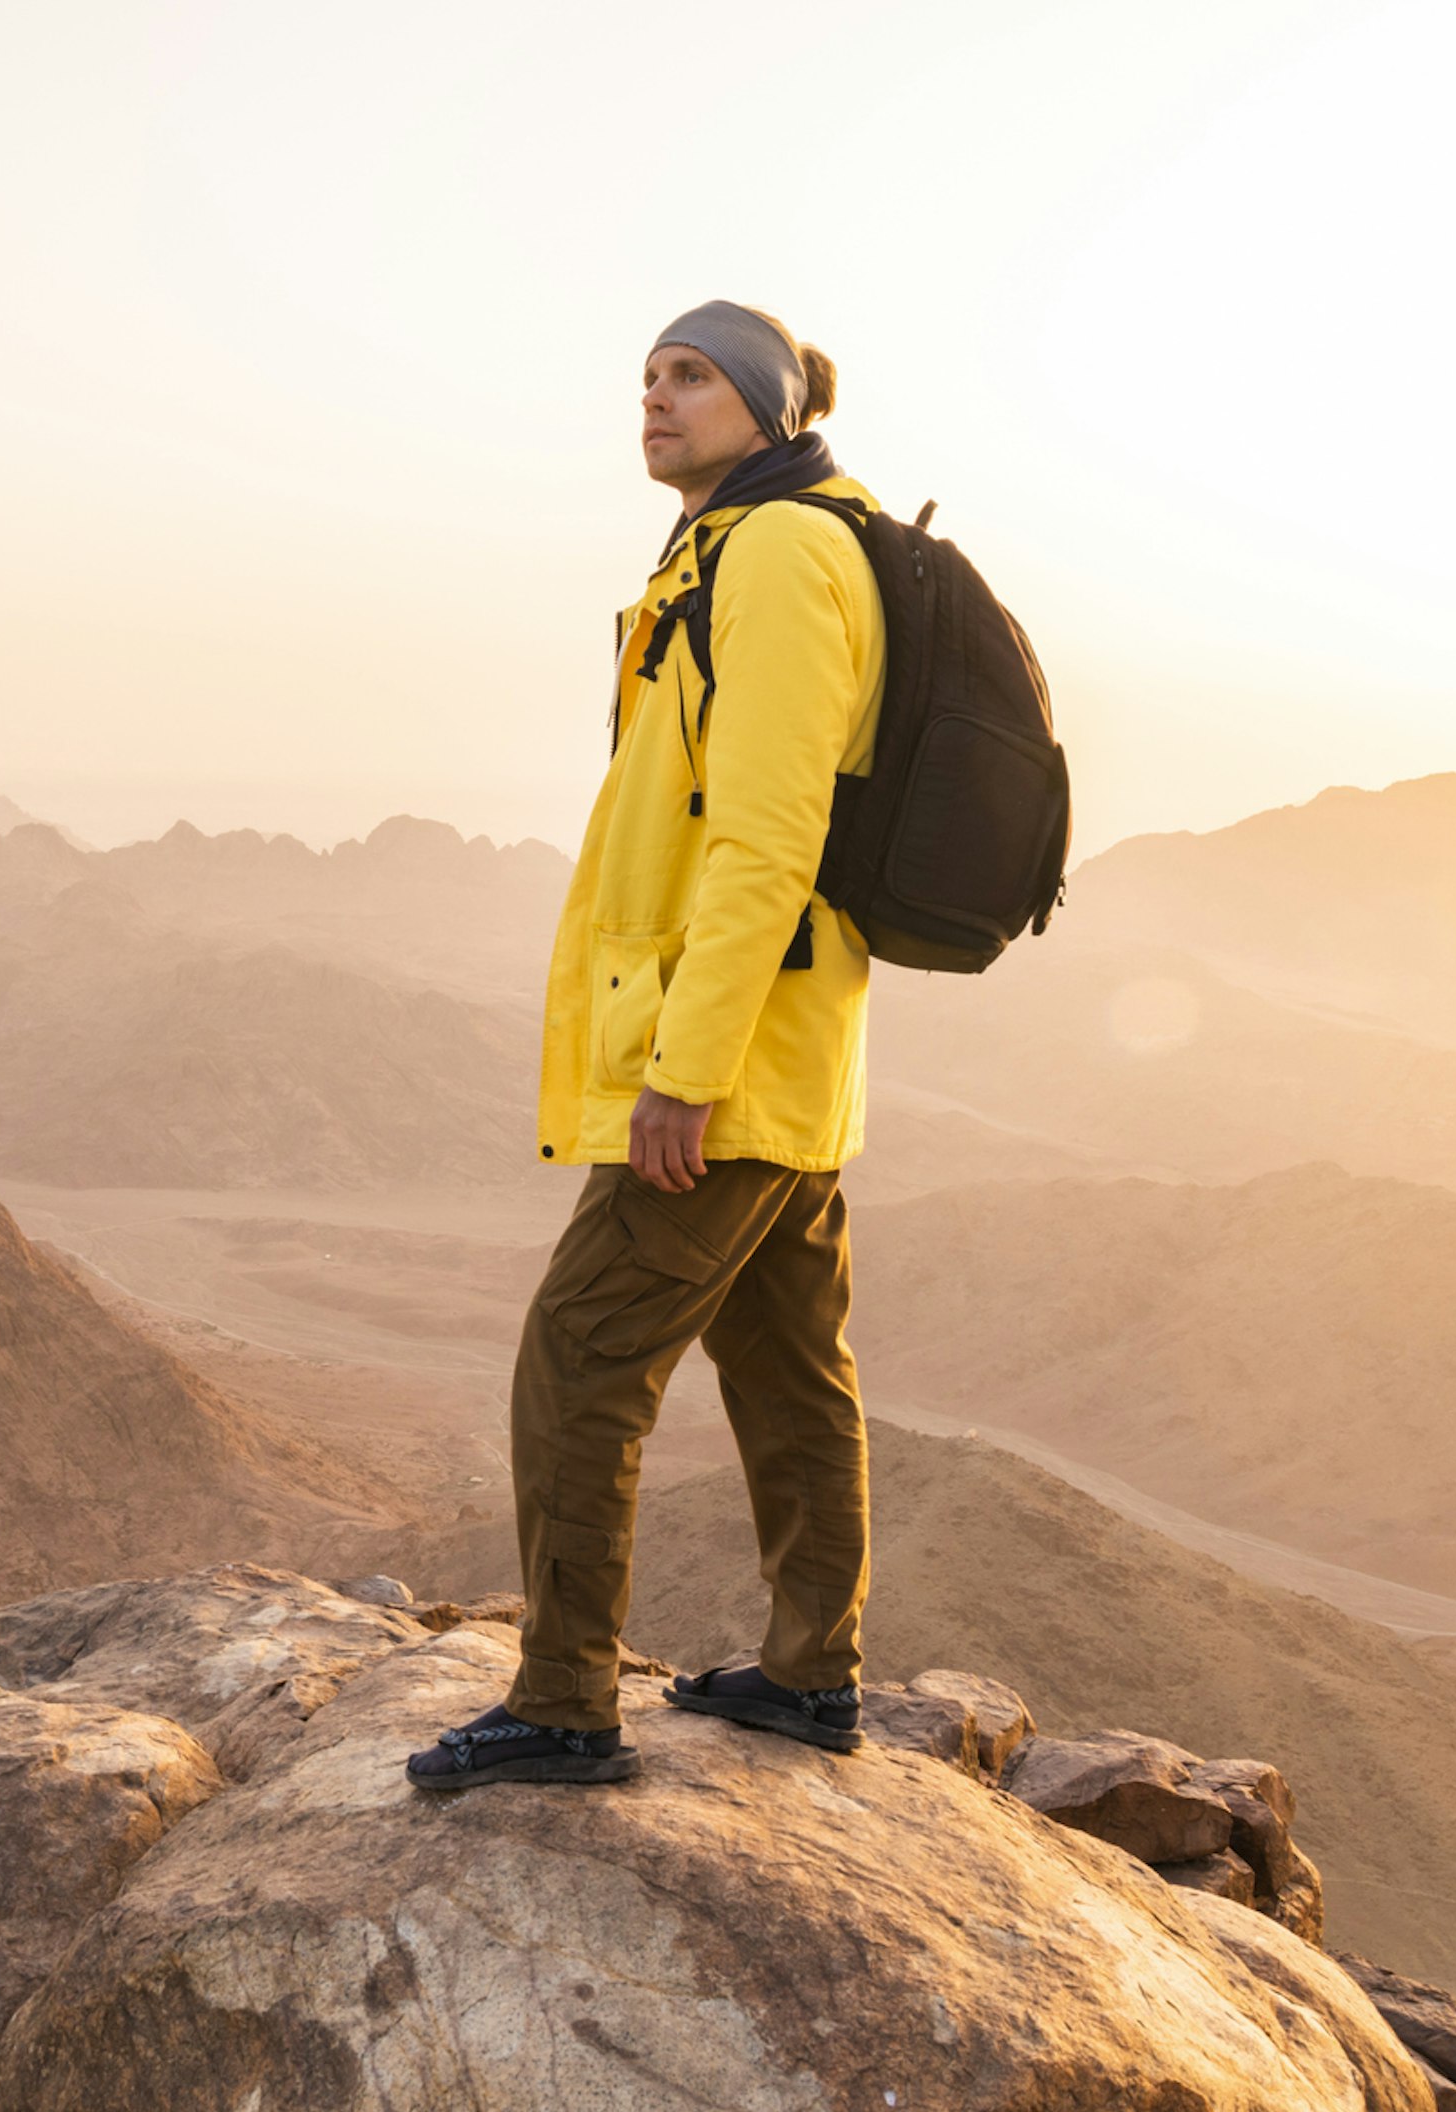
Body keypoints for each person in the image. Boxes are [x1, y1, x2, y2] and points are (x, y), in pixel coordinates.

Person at [410, 301, 886, 1792]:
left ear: (763, 403)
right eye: (649, 378)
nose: (656, 399)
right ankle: (811, 1675)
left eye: (691, 378)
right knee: (790, 1366)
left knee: (579, 1359)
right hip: (775, 1049)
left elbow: (764, 833)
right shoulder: (732, 545)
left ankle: (562, 1701)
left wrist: (686, 1065)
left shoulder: (787, 554)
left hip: (728, 1061)